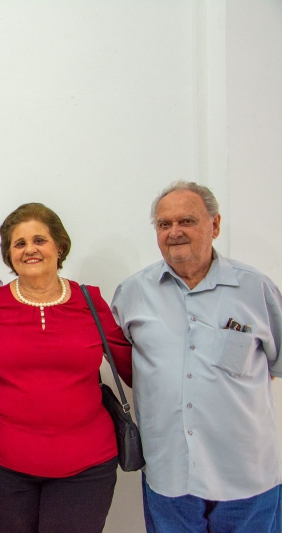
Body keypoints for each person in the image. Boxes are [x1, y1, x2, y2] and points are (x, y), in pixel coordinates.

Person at [111, 181, 282, 533]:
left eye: (186, 221)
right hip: (169, 474)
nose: (174, 232)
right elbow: (124, 363)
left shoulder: (256, 289)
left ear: (214, 225)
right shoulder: (131, 294)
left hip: (246, 477)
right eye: (164, 224)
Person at [0, 203, 132, 533]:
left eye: (39, 240)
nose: (30, 249)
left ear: (59, 246)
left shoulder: (90, 301)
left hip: (87, 465)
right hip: (6, 464)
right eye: (19, 243)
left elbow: (131, 368)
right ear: (9, 255)